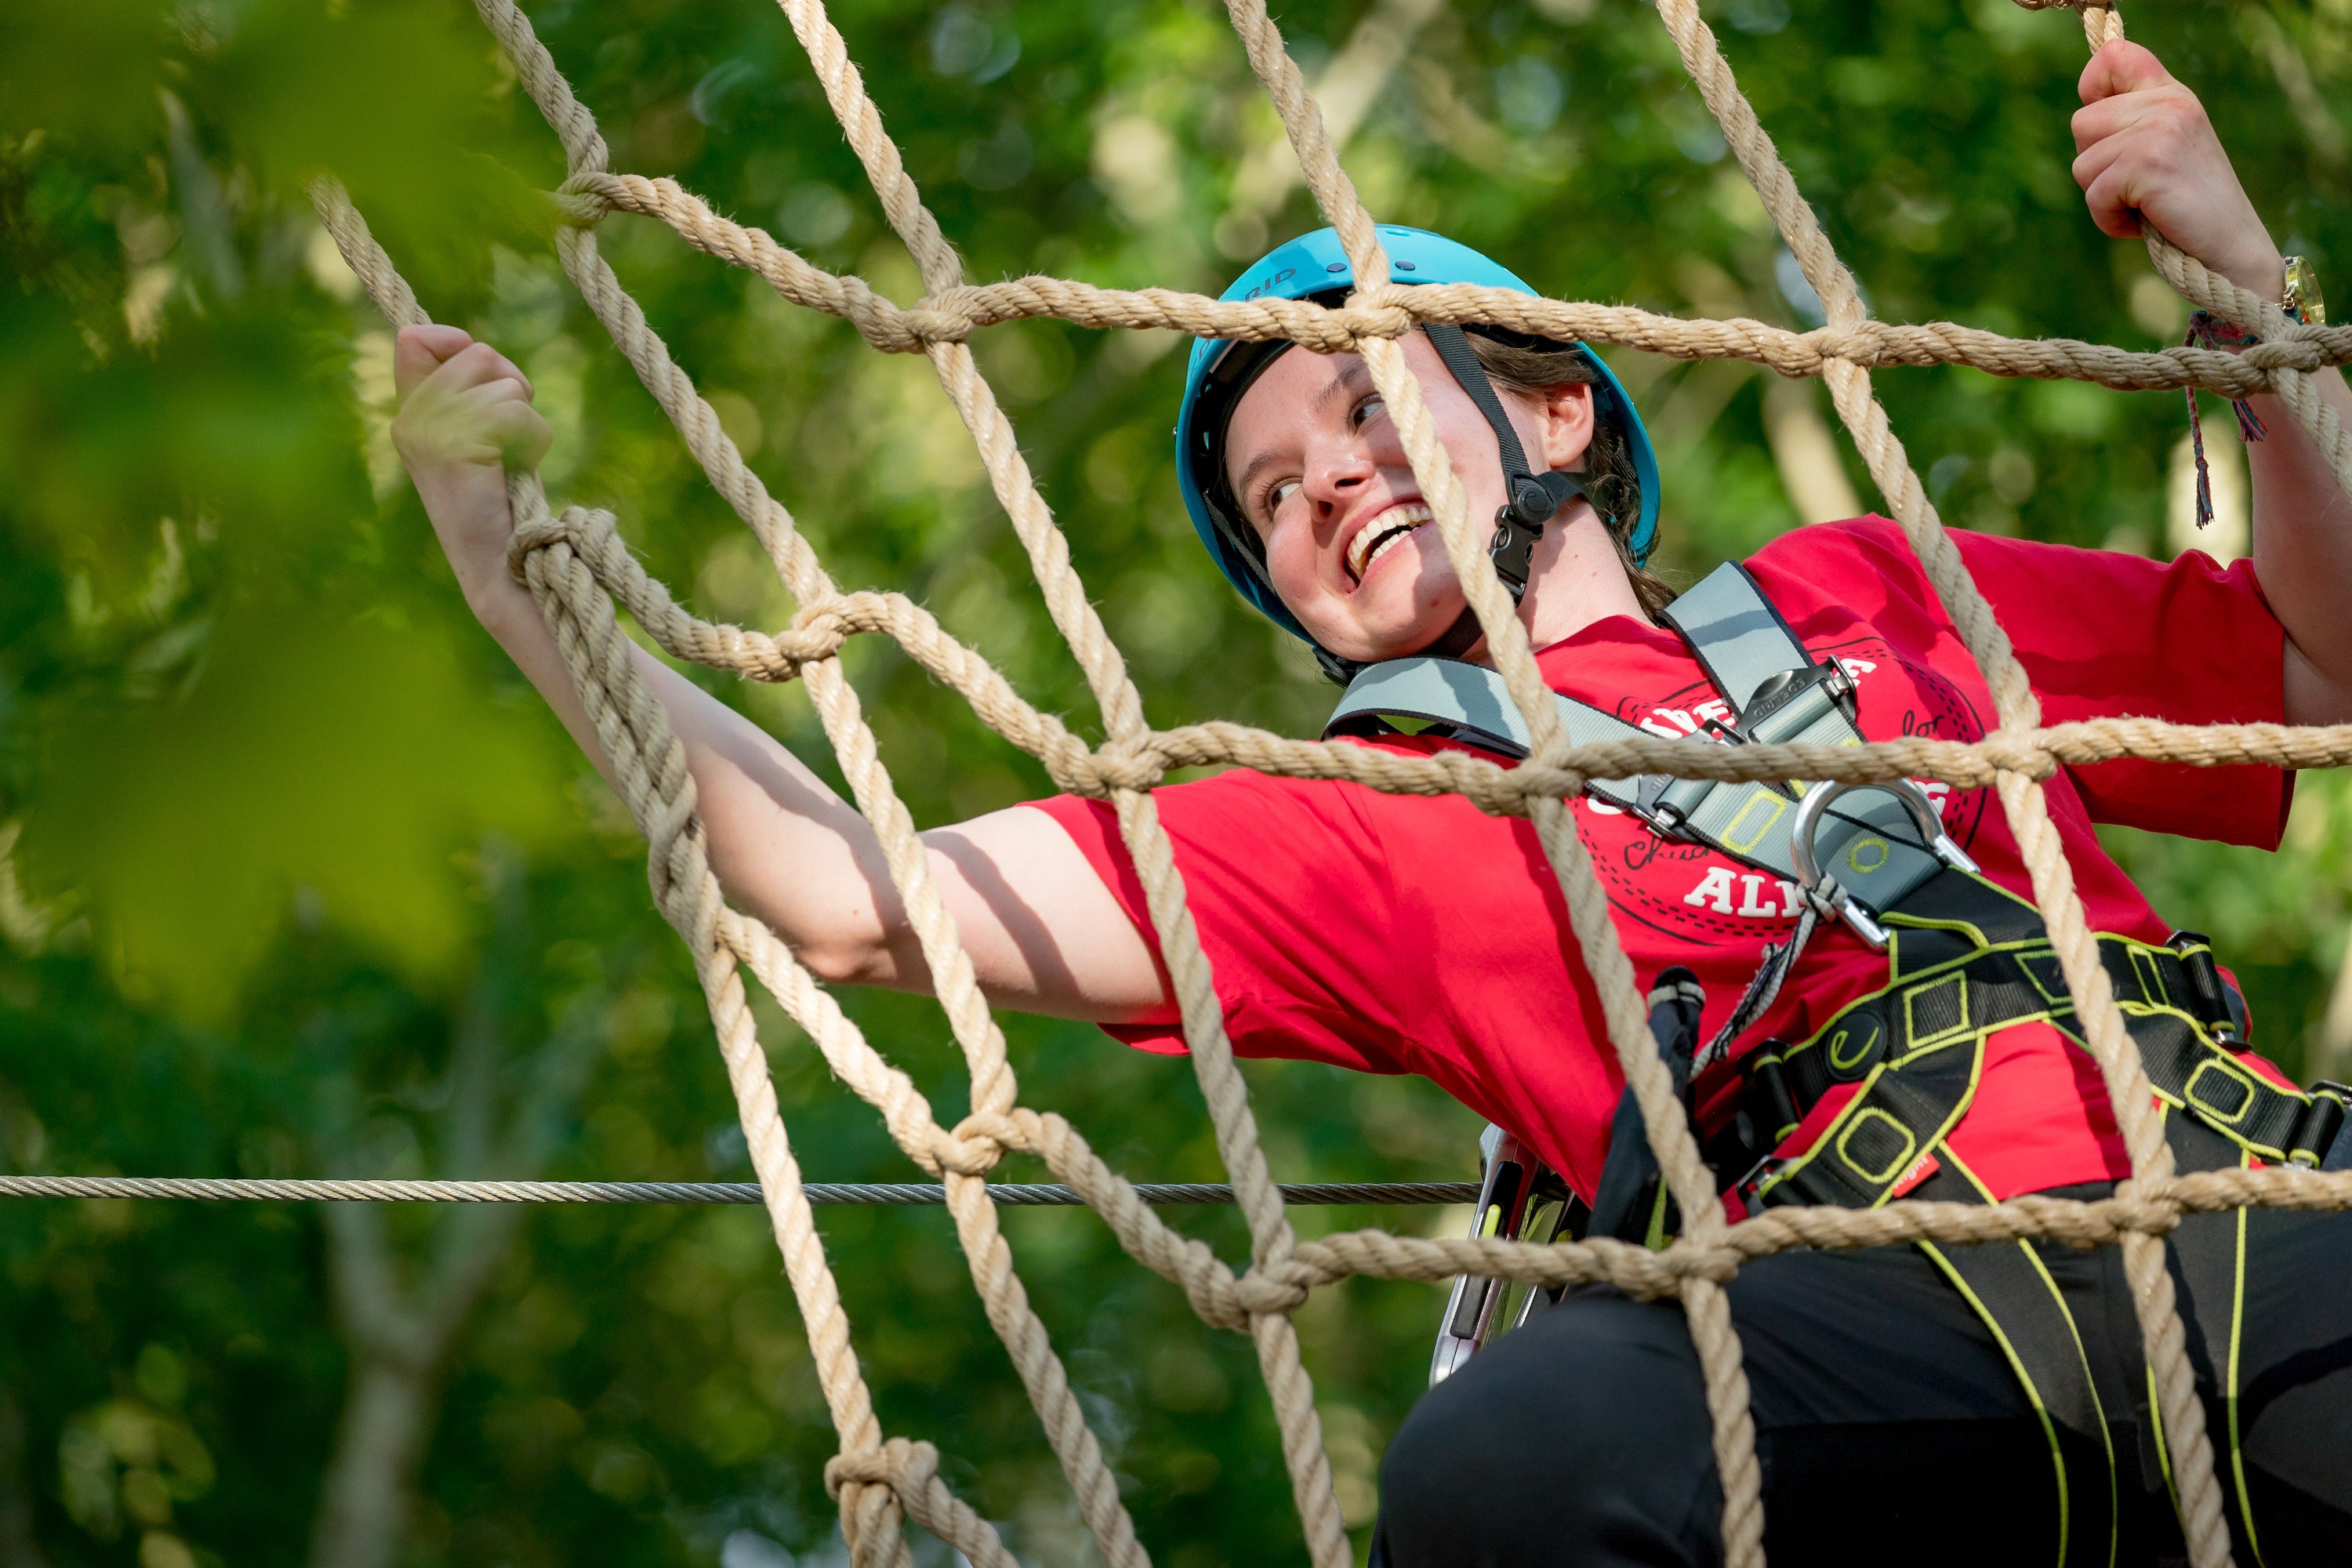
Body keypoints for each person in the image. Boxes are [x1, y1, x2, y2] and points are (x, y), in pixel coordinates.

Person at [394, 38, 2352, 1568]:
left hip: (2246, 1205)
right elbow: (852, 895)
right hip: (1874, 1312)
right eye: (1271, 496)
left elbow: (2320, 670)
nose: (1324, 481)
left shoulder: (1867, 587)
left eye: (1359, 402)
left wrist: (2254, 298)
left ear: (1563, 404)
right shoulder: (1357, 819)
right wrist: (522, 585)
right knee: (1519, 1457)